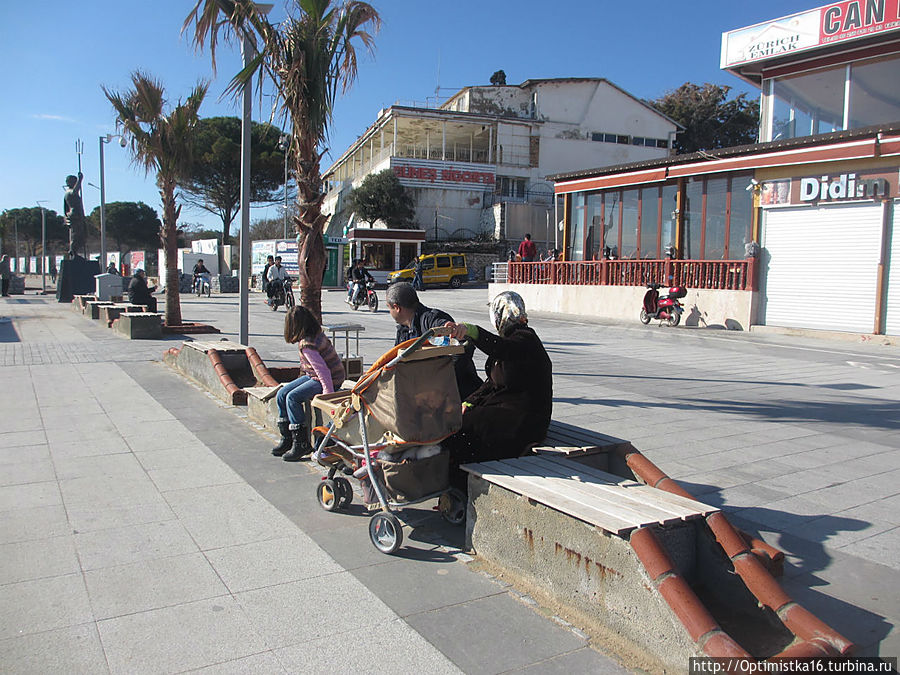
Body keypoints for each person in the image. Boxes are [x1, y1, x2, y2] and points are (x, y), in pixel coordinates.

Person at [443, 291, 553, 491]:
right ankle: (456, 482)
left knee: (462, 431)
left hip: (526, 419)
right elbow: (492, 382)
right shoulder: (513, 338)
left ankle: (461, 487)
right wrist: (469, 401)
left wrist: (472, 331)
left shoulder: (525, 339)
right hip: (509, 410)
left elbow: (502, 348)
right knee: (457, 422)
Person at [272, 306, 346, 461]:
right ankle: (287, 438)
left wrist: (328, 394)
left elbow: (323, 371)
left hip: (329, 379)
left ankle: (301, 442)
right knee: (281, 393)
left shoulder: (308, 345)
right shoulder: (315, 335)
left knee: (292, 397)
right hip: (313, 376)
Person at [385, 282, 481, 400]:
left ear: (397, 308)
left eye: (388, 308)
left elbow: (462, 345)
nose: (390, 312)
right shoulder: (403, 331)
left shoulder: (430, 320)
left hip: (458, 397)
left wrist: (440, 379)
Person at [63, 172, 87, 258]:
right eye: (75, 181)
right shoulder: (69, 192)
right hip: (75, 216)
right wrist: (80, 180)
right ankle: (73, 251)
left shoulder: (69, 192)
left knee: (81, 236)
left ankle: (74, 252)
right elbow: (75, 191)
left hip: (77, 215)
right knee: (76, 236)